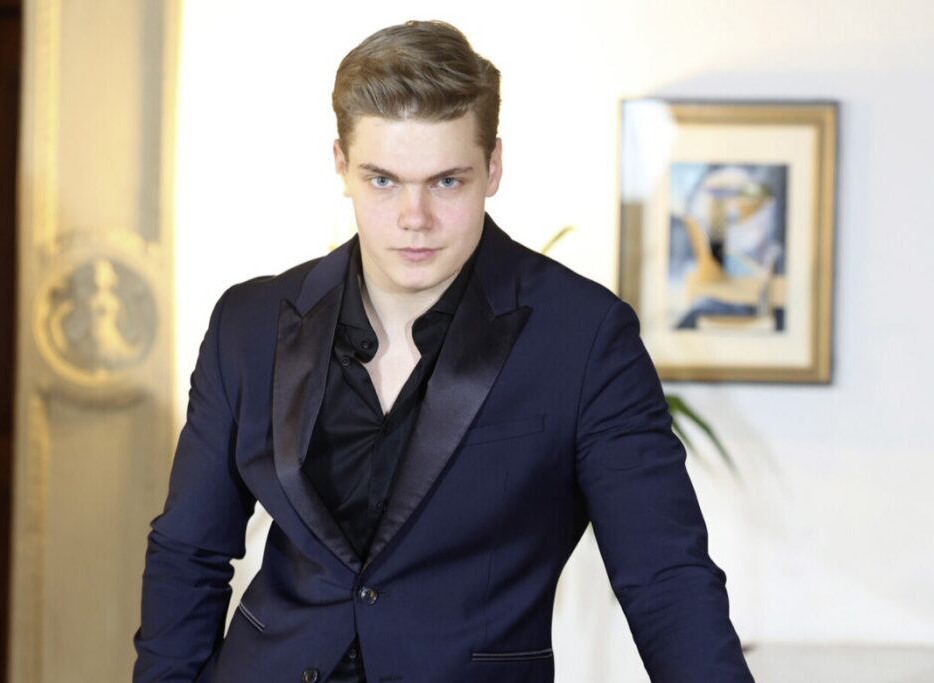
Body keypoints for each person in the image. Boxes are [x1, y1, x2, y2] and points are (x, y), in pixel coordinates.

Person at [133, 20, 754, 683]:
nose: (415, 218)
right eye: (383, 180)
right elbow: (188, 552)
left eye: (447, 182)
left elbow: (665, 576)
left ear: (493, 168)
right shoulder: (248, 323)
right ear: (341, 165)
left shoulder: (585, 338)